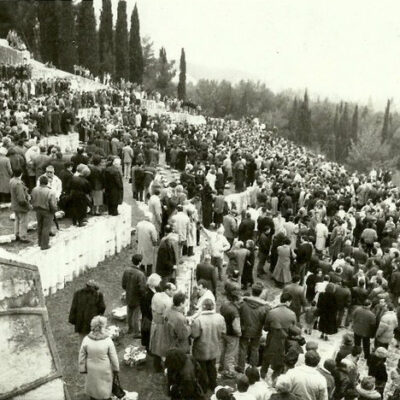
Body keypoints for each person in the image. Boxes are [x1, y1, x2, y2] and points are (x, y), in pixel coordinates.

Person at [78, 316, 119, 400]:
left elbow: (81, 355)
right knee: (104, 388)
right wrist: (116, 369)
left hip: (91, 368)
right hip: (104, 368)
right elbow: (113, 356)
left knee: (93, 386)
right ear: (103, 327)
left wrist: (82, 368)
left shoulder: (86, 339)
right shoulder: (107, 340)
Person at [191, 298, 226, 391]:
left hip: (201, 349)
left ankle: (203, 387)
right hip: (214, 347)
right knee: (212, 367)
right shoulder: (220, 318)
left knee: (202, 369)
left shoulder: (198, 320)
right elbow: (223, 332)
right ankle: (213, 384)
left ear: (203, 307)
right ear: (213, 307)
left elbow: (194, 335)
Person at [237, 282, 269, 373]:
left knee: (243, 348)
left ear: (252, 290)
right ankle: (253, 368)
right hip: (257, 331)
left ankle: (240, 367)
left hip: (244, 329)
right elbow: (265, 320)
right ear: (261, 292)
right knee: (255, 348)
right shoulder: (265, 307)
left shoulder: (243, 303)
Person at [150, 282, 175, 372]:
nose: (174, 292)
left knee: (156, 345)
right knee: (163, 346)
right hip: (162, 326)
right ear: (167, 290)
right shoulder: (168, 302)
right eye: (173, 290)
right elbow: (167, 316)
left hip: (154, 323)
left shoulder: (156, 295)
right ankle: (164, 366)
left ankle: (156, 365)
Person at [219, 284, 241, 378]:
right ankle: (228, 371)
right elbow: (236, 326)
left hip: (224, 332)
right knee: (230, 353)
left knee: (223, 350)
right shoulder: (234, 311)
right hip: (232, 334)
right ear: (235, 298)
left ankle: (221, 365)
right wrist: (239, 333)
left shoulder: (224, 305)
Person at [122, 254, 146, 338]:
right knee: (136, 315)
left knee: (129, 313)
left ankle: (130, 329)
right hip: (137, 297)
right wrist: (143, 296)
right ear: (139, 262)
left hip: (129, 295)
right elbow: (142, 288)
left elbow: (123, 284)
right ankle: (137, 332)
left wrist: (128, 290)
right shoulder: (140, 274)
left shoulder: (126, 270)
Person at [31, 175, 57, 250]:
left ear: (40, 182)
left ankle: (39, 242)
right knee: (46, 228)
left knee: (40, 226)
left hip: (37, 210)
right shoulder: (50, 191)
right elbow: (52, 204)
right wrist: (54, 210)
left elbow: (32, 199)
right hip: (47, 211)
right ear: (47, 182)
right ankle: (44, 245)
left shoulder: (34, 189)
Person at [140, 273, 162, 351]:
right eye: (158, 282)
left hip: (156, 314)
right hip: (149, 317)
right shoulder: (145, 293)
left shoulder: (157, 289)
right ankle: (149, 349)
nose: (159, 284)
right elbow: (144, 309)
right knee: (148, 333)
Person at [9, 168, 31, 243]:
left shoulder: (11, 180)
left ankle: (17, 234)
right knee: (23, 222)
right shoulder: (19, 183)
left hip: (14, 204)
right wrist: (28, 205)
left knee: (17, 220)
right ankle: (23, 237)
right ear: (21, 173)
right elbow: (21, 199)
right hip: (20, 206)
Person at [136, 212, 158, 276]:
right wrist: (154, 244)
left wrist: (138, 242)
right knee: (149, 261)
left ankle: (141, 274)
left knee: (141, 260)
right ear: (150, 218)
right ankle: (148, 274)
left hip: (140, 245)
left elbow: (136, 236)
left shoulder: (139, 224)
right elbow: (154, 239)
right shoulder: (151, 226)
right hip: (149, 246)